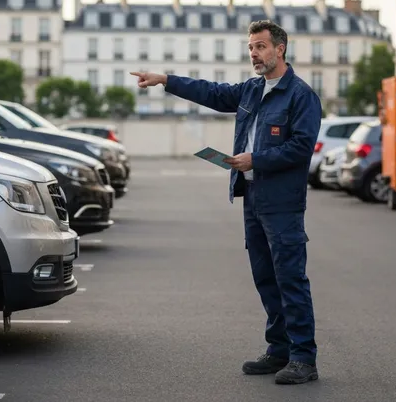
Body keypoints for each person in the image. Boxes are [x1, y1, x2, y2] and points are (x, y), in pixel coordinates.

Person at [130, 20, 322, 385]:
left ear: (280, 48)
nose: (254, 53)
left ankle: (303, 358)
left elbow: (301, 149)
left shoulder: (301, 95)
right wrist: (166, 80)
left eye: (261, 46)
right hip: (252, 196)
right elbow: (213, 93)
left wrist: (256, 160)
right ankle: (279, 349)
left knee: (290, 279)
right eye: (251, 47)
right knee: (266, 278)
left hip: (282, 203)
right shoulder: (251, 90)